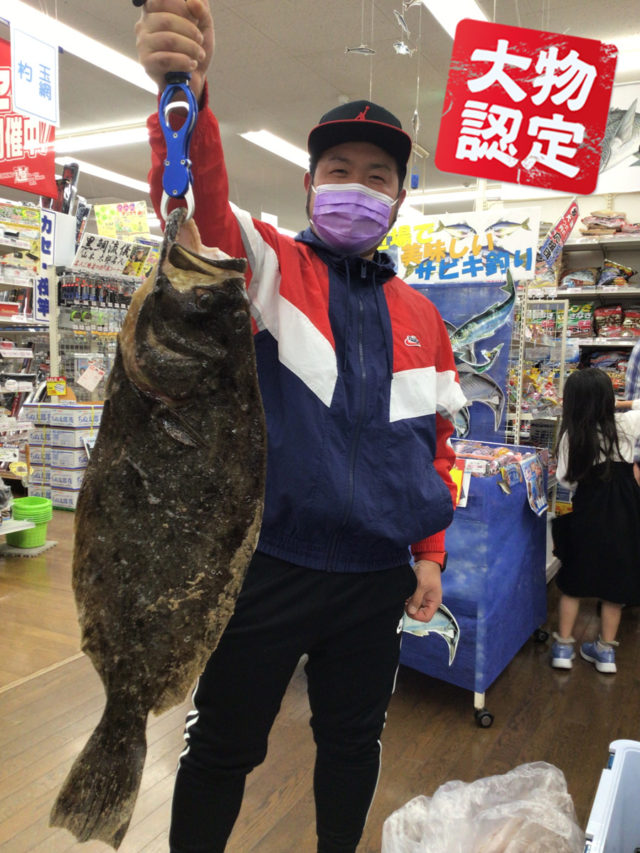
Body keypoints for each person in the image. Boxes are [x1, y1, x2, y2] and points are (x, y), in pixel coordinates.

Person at [136, 2, 466, 851]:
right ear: (311, 184)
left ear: (402, 195)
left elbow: (435, 448)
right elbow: (201, 211)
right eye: (340, 169)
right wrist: (188, 93)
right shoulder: (269, 267)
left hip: (375, 578)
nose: (359, 185)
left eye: (379, 175)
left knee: (353, 744)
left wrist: (429, 553)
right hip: (266, 563)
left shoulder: (425, 319)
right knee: (222, 745)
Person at [550, 368, 640, 674]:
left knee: (573, 581)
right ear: (608, 399)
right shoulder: (626, 424)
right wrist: (624, 404)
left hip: (587, 514)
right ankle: (605, 653)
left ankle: (563, 648)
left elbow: (565, 479)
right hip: (626, 514)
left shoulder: (572, 435)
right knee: (616, 587)